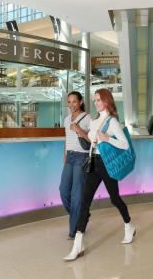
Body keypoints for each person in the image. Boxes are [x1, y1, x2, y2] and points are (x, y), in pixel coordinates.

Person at [64, 88, 136, 261]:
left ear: (106, 101)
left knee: (114, 199)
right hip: (93, 163)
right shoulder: (95, 120)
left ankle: (129, 225)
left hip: (106, 164)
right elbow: (90, 142)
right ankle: (78, 244)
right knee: (84, 202)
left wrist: (107, 138)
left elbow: (125, 144)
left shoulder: (112, 122)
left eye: (99, 100)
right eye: (94, 100)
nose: (96, 103)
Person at [59, 91, 91, 240]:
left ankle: (74, 231)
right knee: (63, 191)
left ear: (81, 102)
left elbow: (92, 140)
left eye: (74, 102)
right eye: (69, 102)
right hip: (70, 158)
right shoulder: (66, 119)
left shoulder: (88, 118)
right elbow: (66, 140)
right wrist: (65, 158)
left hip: (81, 158)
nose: (71, 105)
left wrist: (80, 130)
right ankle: (81, 214)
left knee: (76, 195)